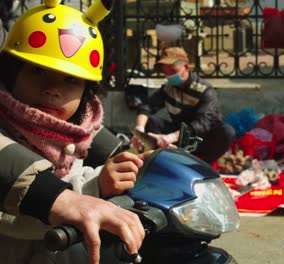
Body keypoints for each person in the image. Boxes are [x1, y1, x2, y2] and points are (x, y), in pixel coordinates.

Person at [0, 1, 148, 263]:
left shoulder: (76, 136)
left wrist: (120, 172)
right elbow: (14, 219)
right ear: (12, 74)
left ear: (86, 93)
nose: (52, 89)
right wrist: (94, 187)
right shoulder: (6, 131)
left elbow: (74, 174)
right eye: (38, 71)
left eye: (70, 80)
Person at [132, 47, 235, 164]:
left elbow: (203, 123)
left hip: (201, 140)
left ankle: (204, 165)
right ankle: (164, 160)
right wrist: (139, 130)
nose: (169, 76)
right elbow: (147, 107)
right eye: (165, 72)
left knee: (227, 132)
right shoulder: (168, 88)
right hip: (178, 138)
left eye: (172, 71)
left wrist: (173, 137)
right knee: (149, 121)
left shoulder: (204, 90)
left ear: (185, 67)